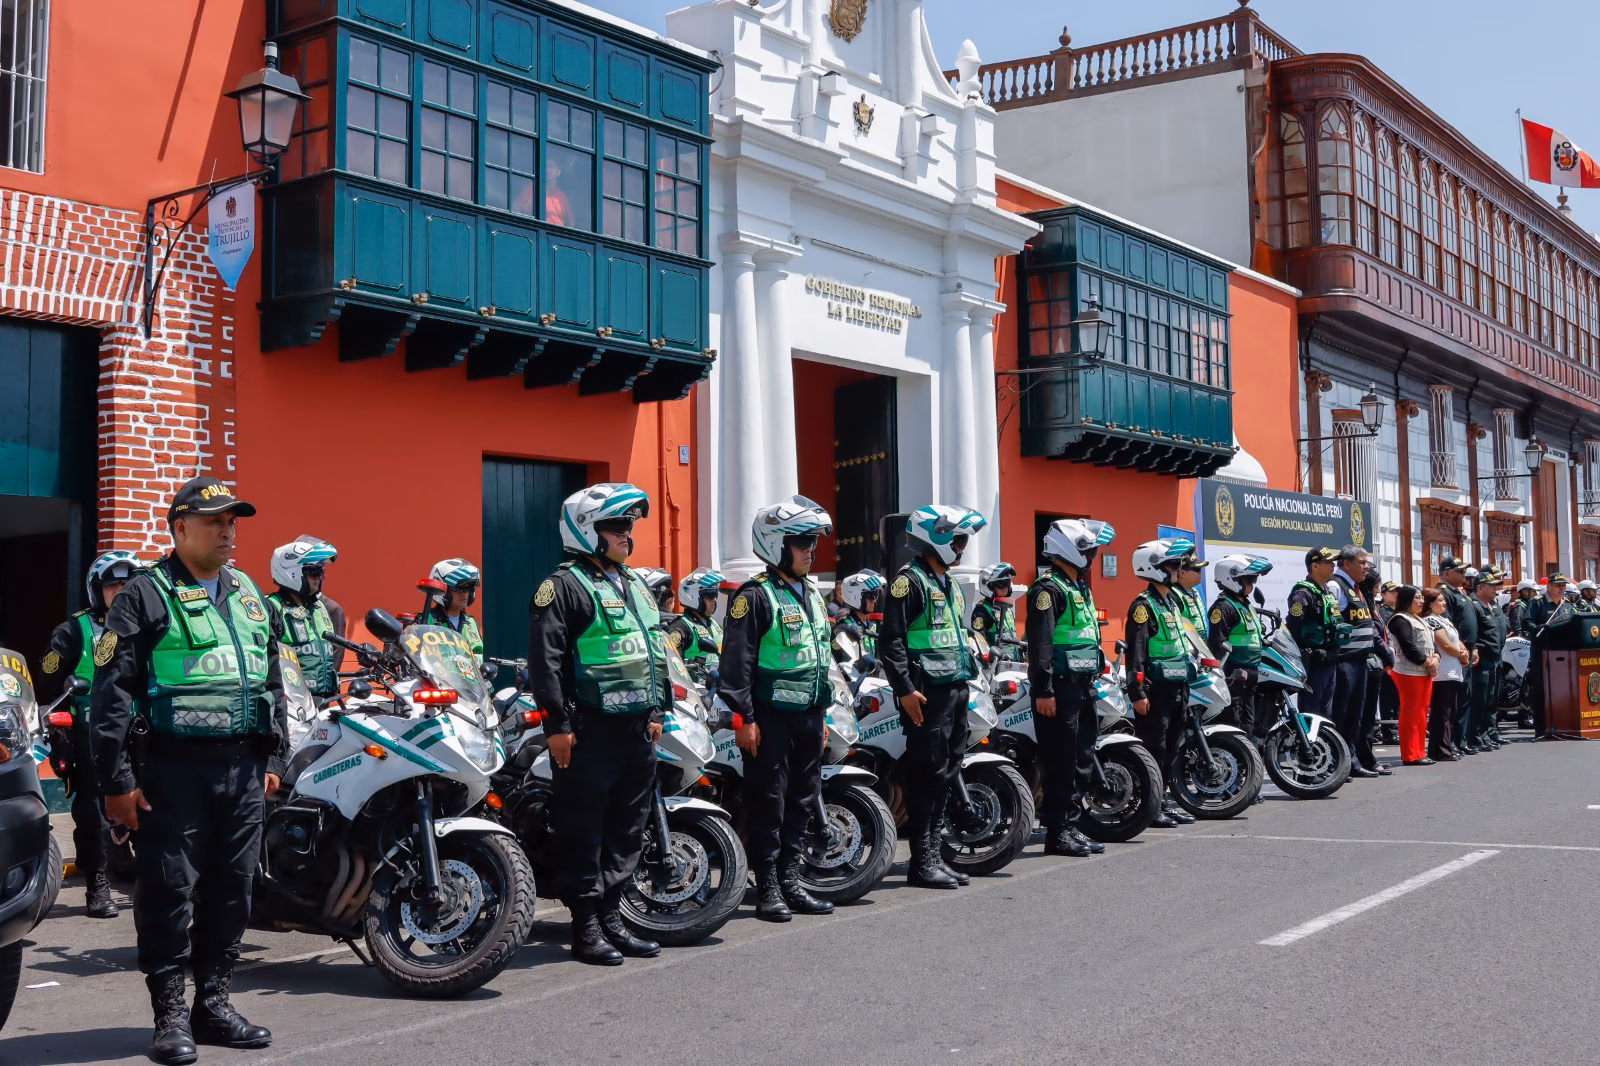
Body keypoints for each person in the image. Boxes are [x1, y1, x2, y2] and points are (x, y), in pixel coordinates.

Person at [90, 477, 286, 1064]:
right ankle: (170, 1014)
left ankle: (214, 1005)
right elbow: (112, 696)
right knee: (170, 892)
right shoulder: (144, 595)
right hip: (172, 772)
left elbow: (272, 678)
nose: (228, 531)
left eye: (233, 521)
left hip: (244, 771)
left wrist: (274, 757)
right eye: (214, 521)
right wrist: (117, 783)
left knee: (233, 890)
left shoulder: (249, 592)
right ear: (179, 529)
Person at [526, 483, 667, 966]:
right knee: (584, 829)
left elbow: (654, 649)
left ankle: (612, 917)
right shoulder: (562, 586)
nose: (627, 534)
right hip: (587, 732)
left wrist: (657, 710)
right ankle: (584, 927)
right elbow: (545, 663)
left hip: (636, 732)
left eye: (629, 525)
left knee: (628, 829)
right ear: (587, 531)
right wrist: (557, 726)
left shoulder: (633, 583)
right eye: (616, 526)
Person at [719, 496, 839, 922]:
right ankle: (767, 887)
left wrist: (822, 717)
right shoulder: (753, 596)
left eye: (813, 543)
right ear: (775, 544)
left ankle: (791, 880)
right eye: (802, 542)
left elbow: (820, 658)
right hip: (767, 720)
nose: (811, 550)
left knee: (803, 800)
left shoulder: (812, 594)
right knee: (768, 802)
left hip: (808, 717)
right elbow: (736, 664)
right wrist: (743, 719)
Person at [879, 504, 988, 888]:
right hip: (925, 696)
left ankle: (934, 855)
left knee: (947, 772)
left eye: (963, 540)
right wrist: (905, 690)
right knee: (927, 775)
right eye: (957, 539)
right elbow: (890, 642)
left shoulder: (950, 584)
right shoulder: (908, 582)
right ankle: (921, 861)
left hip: (955, 690)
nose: (961, 547)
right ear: (935, 538)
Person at [36, 550, 142, 921]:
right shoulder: (74, 630)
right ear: (97, 589)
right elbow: (47, 675)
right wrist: (64, 678)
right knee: (94, 815)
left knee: (155, 804)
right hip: (91, 734)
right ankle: (97, 885)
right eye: (114, 583)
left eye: (129, 582)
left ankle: (153, 876)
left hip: (141, 731)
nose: (123, 589)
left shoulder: (150, 624)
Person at [1027, 519, 1116, 856]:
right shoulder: (1046, 590)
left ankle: (1071, 825)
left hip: (1082, 686)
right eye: (1088, 549)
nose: (1092, 556)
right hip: (1059, 690)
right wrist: (1043, 690)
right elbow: (1041, 646)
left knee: (1081, 756)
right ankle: (1057, 832)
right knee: (1060, 760)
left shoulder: (1078, 587)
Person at [1123, 538, 1198, 829]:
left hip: (1178, 687)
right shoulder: (1143, 606)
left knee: (1172, 748)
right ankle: (1149, 806)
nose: (1178, 569)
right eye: (1172, 564)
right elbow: (1137, 654)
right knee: (1154, 748)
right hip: (1155, 691)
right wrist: (1138, 692)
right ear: (1153, 568)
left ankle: (1163, 800)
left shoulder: (1172, 601)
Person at [1327, 545, 1384, 777]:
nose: (1366, 567)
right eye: (1362, 562)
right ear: (1346, 563)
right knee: (1342, 713)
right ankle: (1341, 762)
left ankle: (1352, 761)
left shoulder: (1355, 588)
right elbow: (1333, 621)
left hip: (1360, 660)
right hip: (1345, 661)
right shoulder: (1335, 586)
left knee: (1355, 715)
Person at [265, 537, 341, 700]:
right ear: (292, 572)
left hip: (324, 699)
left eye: (322, 571)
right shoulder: (273, 607)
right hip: (292, 704)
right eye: (314, 571)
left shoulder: (320, 608)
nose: (319, 577)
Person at [1206, 554, 1271, 743]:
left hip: (1250, 674)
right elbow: (1217, 645)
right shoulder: (1223, 607)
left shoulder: (1245, 604)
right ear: (1231, 578)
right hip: (1232, 675)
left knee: (1248, 723)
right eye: (1250, 579)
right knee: (1234, 723)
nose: (1253, 584)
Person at [1287, 547, 1341, 725]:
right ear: (1315, 566)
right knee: (1311, 710)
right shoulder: (1303, 593)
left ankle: (1323, 746)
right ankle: (1306, 749)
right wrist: (1304, 654)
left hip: (1330, 658)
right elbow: (1294, 627)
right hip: (1313, 661)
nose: (1333, 565)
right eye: (1328, 563)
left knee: (1326, 711)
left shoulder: (1326, 591)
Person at [1388, 586, 1439, 766]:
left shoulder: (1419, 618)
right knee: (1410, 713)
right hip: (1408, 672)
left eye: (1421, 598)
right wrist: (1428, 662)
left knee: (1421, 713)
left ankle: (1419, 751)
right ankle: (1410, 754)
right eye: (1417, 598)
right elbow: (1409, 647)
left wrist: (1436, 658)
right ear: (1407, 599)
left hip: (1424, 672)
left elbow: (1432, 644)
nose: (1421, 601)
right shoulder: (1399, 619)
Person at [1435, 556, 1480, 753]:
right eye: (1459, 572)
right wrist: (1461, 650)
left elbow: (1470, 624)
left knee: (1466, 698)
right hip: (1455, 652)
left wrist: (1474, 647)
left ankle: (1460, 741)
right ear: (1446, 573)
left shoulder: (1460, 592)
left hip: (1466, 649)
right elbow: (1448, 626)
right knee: (1455, 700)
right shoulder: (1444, 593)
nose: (1463, 575)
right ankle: (1451, 742)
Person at [1422, 588, 1467, 760]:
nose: (1444, 603)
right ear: (1430, 603)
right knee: (1442, 713)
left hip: (1453, 670)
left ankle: (1447, 745)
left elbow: (1456, 641)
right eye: (1440, 600)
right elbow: (1445, 645)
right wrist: (1460, 654)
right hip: (1442, 673)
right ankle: (1440, 750)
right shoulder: (1430, 620)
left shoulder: (1443, 619)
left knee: (1450, 713)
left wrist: (1465, 652)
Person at [1469, 566, 1508, 751]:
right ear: (1480, 588)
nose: (1496, 589)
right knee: (1480, 699)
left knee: (1492, 699)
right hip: (1483, 658)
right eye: (1491, 586)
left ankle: (1490, 733)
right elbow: (1472, 633)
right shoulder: (1474, 605)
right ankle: (1478, 736)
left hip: (1495, 656)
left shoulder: (1492, 605)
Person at [1524, 574, 1568, 736]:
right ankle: (1542, 728)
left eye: (1563, 585)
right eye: (1558, 585)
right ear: (1549, 585)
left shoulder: (1566, 604)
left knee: (1561, 690)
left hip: (1563, 655)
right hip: (1542, 652)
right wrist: (1539, 628)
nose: (1561, 588)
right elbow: (1526, 622)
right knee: (1542, 689)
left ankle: (1562, 724)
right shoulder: (1537, 603)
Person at [663, 567, 725, 680]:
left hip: (718, 686)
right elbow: (672, 666)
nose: (714, 600)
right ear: (692, 596)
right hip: (695, 691)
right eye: (710, 595)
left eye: (715, 595)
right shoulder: (680, 627)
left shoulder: (714, 624)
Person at [1360, 568, 1396, 762]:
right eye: (1375, 588)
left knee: (1368, 715)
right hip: (1368, 663)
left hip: (1375, 665)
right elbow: (1373, 635)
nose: (1376, 591)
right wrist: (1389, 656)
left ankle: (1367, 757)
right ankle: (1364, 758)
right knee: (1364, 716)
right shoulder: (1366, 605)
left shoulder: (1372, 606)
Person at [420, 558, 484, 660]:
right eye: (459, 588)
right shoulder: (426, 620)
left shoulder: (471, 622)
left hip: (467, 675)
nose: (464, 593)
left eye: (468, 588)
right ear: (444, 590)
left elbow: (478, 655)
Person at [970, 562, 1023, 662]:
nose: (1005, 588)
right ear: (989, 586)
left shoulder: (1007, 609)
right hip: (995, 666)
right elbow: (978, 641)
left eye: (1007, 583)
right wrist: (990, 659)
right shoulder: (983, 610)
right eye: (1001, 584)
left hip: (1014, 663)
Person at [831, 570, 883, 664]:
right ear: (855, 596)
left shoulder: (872, 625)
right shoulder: (844, 626)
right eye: (871, 596)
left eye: (876, 595)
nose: (874, 600)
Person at [1173, 551, 1210, 642]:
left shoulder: (1195, 592)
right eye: (1197, 570)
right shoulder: (1174, 595)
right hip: (1188, 649)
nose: (1200, 573)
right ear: (1182, 573)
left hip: (1202, 647)